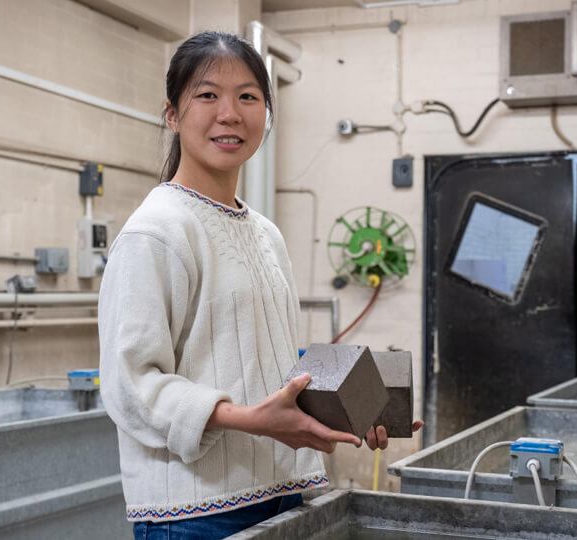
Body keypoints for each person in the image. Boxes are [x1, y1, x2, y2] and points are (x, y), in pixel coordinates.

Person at [98, 32, 417, 539]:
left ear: (266, 114)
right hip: (196, 512)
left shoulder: (264, 233)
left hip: (285, 491)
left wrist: (352, 409)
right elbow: (131, 385)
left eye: (248, 97)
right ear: (172, 115)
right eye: (207, 95)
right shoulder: (155, 231)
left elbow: (268, 366)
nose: (230, 113)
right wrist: (250, 419)